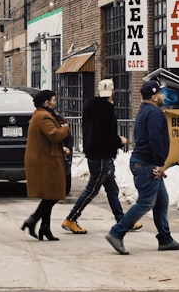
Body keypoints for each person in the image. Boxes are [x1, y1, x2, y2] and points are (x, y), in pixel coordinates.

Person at [104, 80, 179, 255]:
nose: (164, 96)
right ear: (155, 96)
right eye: (162, 94)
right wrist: (160, 164)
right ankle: (117, 232)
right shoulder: (155, 113)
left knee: (161, 201)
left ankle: (165, 238)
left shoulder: (144, 111)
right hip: (147, 164)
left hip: (143, 162)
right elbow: (155, 140)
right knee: (146, 202)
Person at [61, 78, 142, 235]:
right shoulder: (107, 110)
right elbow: (106, 136)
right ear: (113, 92)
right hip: (102, 156)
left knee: (112, 190)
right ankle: (71, 218)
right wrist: (120, 141)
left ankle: (123, 220)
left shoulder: (90, 107)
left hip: (94, 153)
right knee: (92, 190)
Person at [21, 89, 72, 241]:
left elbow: (45, 138)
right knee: (53, 194)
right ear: (46, 103)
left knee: (50, 194)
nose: (55, 103)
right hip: (45, 161)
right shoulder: (44, 116)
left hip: (46, 157)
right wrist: (66, 128)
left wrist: (60, 147)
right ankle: (33, 220)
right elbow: (54, 135)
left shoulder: (41, 115)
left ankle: (45, 228)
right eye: (54, 100)